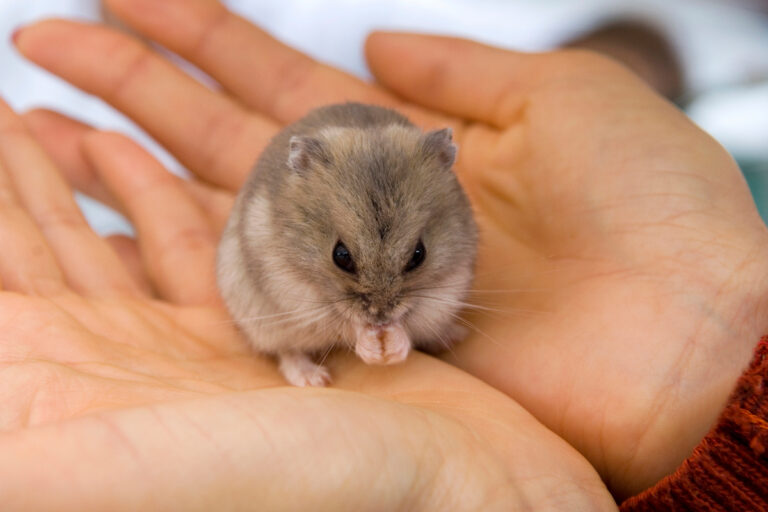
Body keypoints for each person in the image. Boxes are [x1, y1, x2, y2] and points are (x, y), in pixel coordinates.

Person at [1, 0, 766, 509]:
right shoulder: (288, 199)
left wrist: (713, 366)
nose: (378, 298)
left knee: (412, 292)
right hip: (267, 276)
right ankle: (288, 352)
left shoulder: (444, 195)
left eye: (406, 263)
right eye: (346, 261)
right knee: (292, 309)